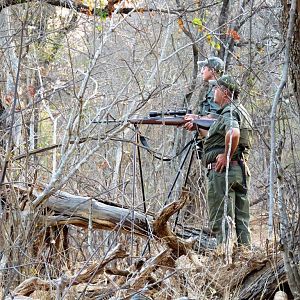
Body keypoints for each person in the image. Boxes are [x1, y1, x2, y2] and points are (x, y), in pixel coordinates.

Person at [184, 74, 253, 247]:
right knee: (241, 220)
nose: (213, 91)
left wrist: (226, 156)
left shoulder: (229, 112)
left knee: (222, 220)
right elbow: (218, 139)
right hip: (240, 171)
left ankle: (225, 260)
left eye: (216, 88)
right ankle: (246, 255)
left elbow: (233, 132)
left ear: (225, 92)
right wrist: (199, 127)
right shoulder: (240, 110)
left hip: (224, 173)